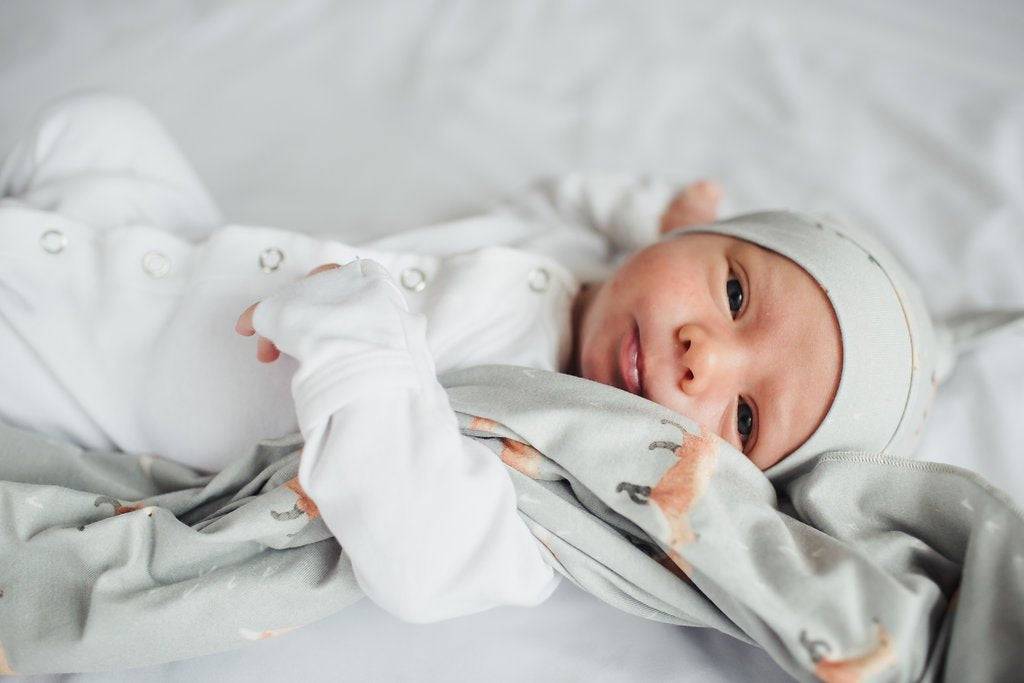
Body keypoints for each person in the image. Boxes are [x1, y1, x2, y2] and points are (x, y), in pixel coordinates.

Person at [0, 92, 930, 623]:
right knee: (94, 130)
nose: (702, 358)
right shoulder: (577, 262)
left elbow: (427, 560)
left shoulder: (563, 491)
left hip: (114, 372)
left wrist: (364, 350)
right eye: (732, 294)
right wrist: (654, 212)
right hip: (185, 250)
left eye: (746, 417)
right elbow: (574, 197)